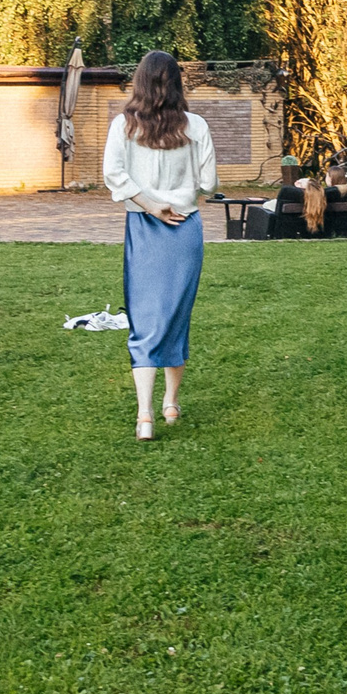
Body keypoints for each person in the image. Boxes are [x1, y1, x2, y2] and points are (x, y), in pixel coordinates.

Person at [103, 49, 217, 437]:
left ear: (139, 81)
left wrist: (151, 204)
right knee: (176, 318)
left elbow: (113, 175)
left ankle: (145, 415)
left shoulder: (124, 125)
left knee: (146, 318)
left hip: (144, 227)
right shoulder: (196, 125)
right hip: (185, 228)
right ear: (177, 82)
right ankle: (170, 402)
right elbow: (210, 183)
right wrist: (180, 190)